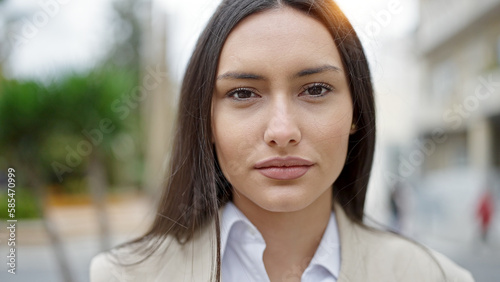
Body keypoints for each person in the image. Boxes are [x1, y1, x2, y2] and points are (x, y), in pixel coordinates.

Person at [90, 0, 475, 281]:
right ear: (206, 120)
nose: (282, 131)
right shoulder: (123, 276)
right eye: (243, 93)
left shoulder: (436, 277)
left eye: (316, 89)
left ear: (356, 112)